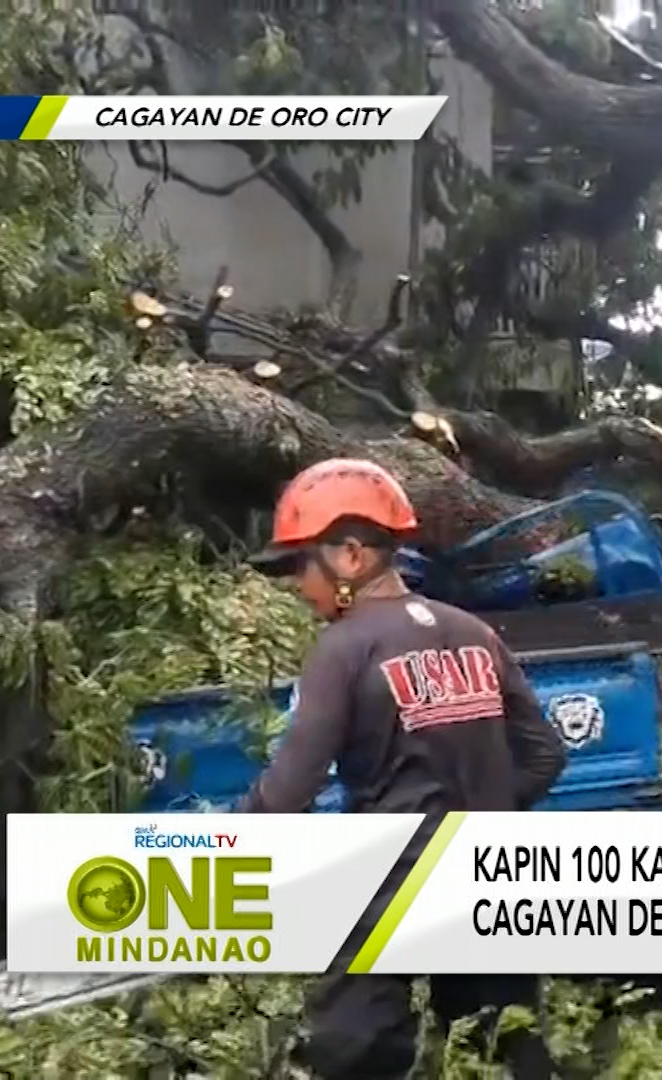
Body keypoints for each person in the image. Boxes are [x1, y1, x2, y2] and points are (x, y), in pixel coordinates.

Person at [239, 459, 563, 1080]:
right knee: (502, 1048)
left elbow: (285, 795)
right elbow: (546, 754)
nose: (294, 586)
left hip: (392, 883)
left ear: (351, 556)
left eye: (298, 565)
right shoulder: (474, 632)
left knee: (350, 1055)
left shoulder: (343, 647)